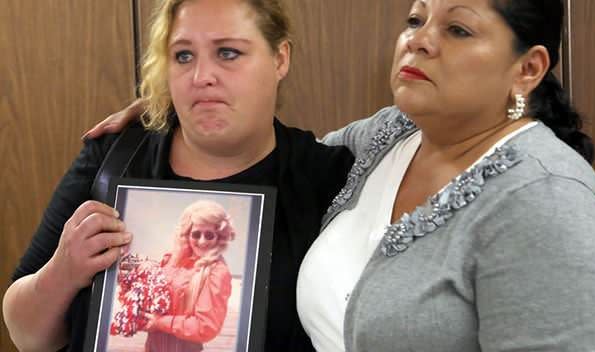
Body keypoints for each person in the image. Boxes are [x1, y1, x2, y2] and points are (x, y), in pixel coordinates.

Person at [86, 0, 595, 351]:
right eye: (416, 19)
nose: (418, 39)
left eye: (459, 28)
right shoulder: (389, 136)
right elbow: (267, 151)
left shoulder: (550, 206)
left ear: (528, 69)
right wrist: (177, 104)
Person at [2, 0, 353, 351]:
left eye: (228, 53)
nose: (202, 77)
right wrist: (64, 272)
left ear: (280, 58)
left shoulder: (329, 177)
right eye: (183, 56)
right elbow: (25, 336)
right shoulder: (115, 154)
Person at [141, 200, 235, 351]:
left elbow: (205, 327)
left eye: (209, 235)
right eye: (196, 234)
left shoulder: (217, 272)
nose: (202, 241)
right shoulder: (171, 260)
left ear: (220, 237)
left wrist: (160, 323)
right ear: (187, 234)